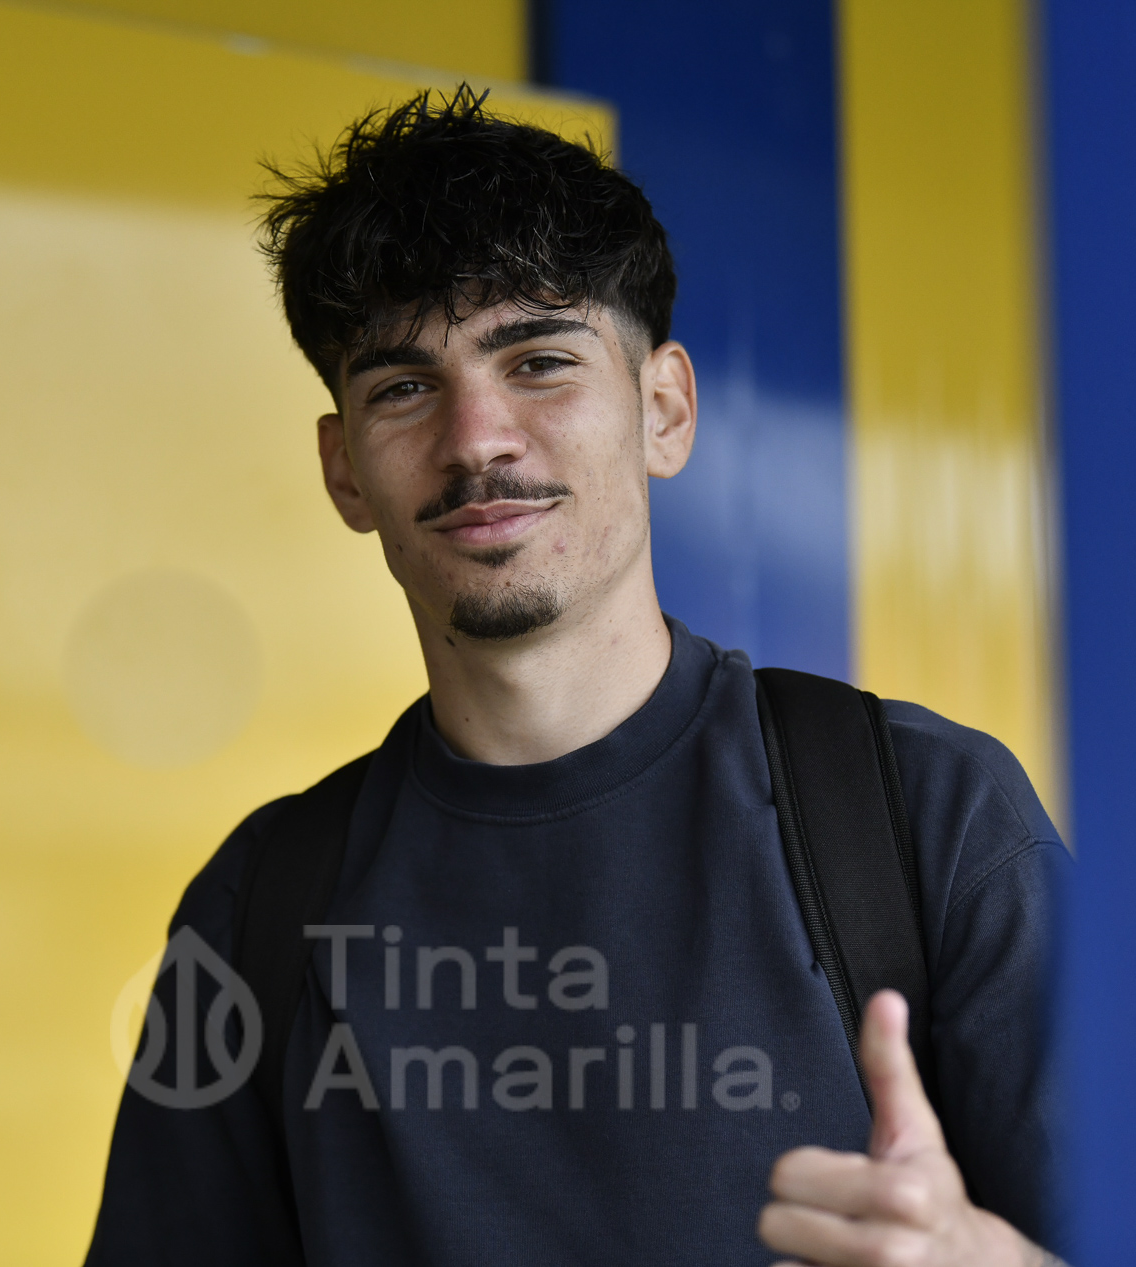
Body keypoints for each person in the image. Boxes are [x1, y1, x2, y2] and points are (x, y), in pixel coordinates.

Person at [83, 87, 1068, 1267]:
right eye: (403, 387)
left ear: (664, 410)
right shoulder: (259, 909)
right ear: (344, 471)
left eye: (540, 361)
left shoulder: (923, 820)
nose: (476, 438)